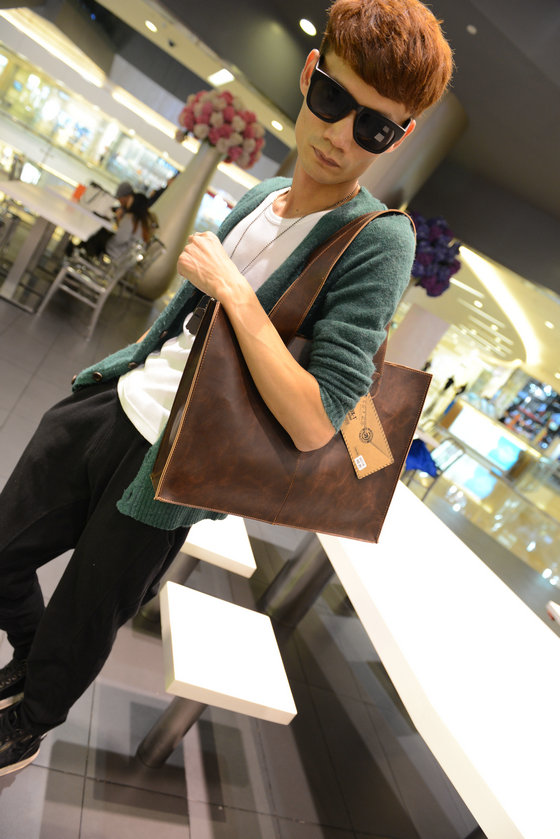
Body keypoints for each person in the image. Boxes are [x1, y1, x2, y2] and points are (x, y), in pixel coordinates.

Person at [0, 0, 453, 776]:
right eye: (334, 99)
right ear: (310, 76)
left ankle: (28, 719)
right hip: (114, 404)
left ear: (400, 137)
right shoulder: (257, 197)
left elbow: (318, 420)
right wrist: (112, 379)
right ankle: (35, 667)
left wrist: (235, 293)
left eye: (374, 128)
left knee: (84, 616)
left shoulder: (378, 240)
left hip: (172, 466)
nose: (341, 135)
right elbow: (182, 324)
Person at [78, 182, 155, 259]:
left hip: (120, 253)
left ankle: (81, 254)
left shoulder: (131, 218)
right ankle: (82, 254)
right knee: (101, 236)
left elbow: (120, 239)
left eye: (120, 198)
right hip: (129, 254)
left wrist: (119, 221)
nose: (119, 200)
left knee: (99, 235)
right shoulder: (144, 220)